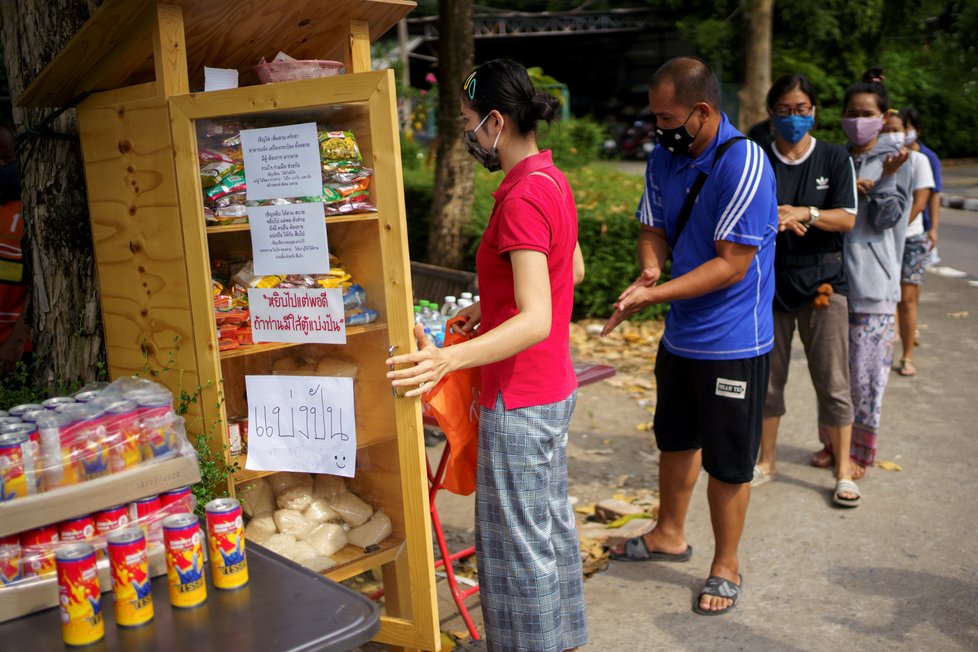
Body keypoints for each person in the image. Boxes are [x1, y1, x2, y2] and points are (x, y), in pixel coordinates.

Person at [386, 59, 587, 651]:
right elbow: (568, 270)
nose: (468, 135)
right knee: (548, 528)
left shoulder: (523, 196)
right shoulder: (552, 179)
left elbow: (536, 318)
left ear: (497, 122)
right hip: (552, 388)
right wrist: (489, 308)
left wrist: (449, 358)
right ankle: (560, 639)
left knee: (514, 547)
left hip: (519, 397)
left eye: (471, 123)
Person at [602, 57, 777, 616]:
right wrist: (650, 269)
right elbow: (652, 226)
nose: (660, 128)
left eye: (668, 117)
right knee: (674, 440)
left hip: (734, 342)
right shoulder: (665, 157)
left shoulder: (744, 161)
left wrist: (655, 296)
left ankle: (726, 564)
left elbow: (732, 264)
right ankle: (667, 534)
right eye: (655, 117)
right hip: (681, 338)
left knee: (728, 461)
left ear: (702, 112)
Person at [750, 74, 860, 506]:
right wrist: (773, 219)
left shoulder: (834, 159)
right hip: (769, 283)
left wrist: (806, 213)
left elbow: (847, 218)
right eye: (784, 110)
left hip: (824, 285)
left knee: (833, 381)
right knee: (769, 380)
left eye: (802, 110)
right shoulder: (757, 159)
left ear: (814, 111)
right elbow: (741, 214)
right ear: (771, 112)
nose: (794, 118)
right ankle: (767, 460)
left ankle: (844, 469)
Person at [826, 68, 911, 480]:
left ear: (882, 115)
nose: (858, 120)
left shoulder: (898, 158)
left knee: (866, 378)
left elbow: (889, 218)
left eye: (867, 112)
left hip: (874, 287)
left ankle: (860, 452)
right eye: (851, 112)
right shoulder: (837, 156)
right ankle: (833, 445)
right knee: (835, 376)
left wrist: (881, 182)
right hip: (835, 283)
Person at [880, 111, 935, 377]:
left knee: (907, 301)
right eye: (885, 129)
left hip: (911, 239)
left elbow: (921, 202)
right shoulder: (873, 158)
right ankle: (882, 350)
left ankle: (907, 356)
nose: (891, 134)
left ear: (906, 132)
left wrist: (895, 227)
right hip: (880, 241)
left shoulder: (919, 160)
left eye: (896, 129)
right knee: (884, 300)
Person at [0, 122, 29, 375]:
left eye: (7, 158)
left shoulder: (26, 209)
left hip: (17, 354)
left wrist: (17, 340)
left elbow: (40, 284)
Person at [902, 108, 942, 268]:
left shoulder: (928, 158)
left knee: (912, 278)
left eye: (908, 128)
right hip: (893, 224)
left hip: (918, 228)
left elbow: (934, 195)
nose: (904, 133)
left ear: (917, 130)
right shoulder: (889, 155)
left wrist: (933, 228)